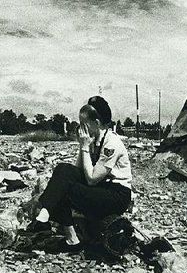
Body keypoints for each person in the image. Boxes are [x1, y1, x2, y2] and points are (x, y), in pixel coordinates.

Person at [30, 96, 132, 245]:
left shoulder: (112, 143)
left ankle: (72, 239)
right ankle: (45, 214)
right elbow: (76, 170)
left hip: (116, 194)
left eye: (84, 124)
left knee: (65, 190)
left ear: (96, 123)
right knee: (62, 170)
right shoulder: (93, 138)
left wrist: (84, 147)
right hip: (102, 186)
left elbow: (91, 179)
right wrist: (82, 146)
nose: (80, 129)